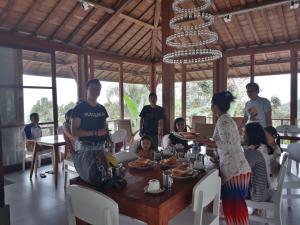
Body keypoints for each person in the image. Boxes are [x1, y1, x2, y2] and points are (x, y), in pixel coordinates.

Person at [196, 91, 251, 225]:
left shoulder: (223, 120)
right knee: (236, 209)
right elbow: (225, 143)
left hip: (235, 170)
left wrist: (206, 142)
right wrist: (209, 143)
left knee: (235, 211)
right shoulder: (226, 119)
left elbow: (227, 144)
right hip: (238, 168)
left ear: (214, 106)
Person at [71, 79, 109, 152]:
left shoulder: (102, 108)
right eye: (92, 88)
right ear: (86, 90)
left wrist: (108, 139)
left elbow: (105, 127)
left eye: (98, 89)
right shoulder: (79, 108)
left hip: (101, 146)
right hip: (85, 147)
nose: (95, 91)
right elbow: (74, 132)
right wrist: (95, 132)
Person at [243, 123, 273, 202]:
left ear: (251, 135)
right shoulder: (263, 147)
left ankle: (222, 211)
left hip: (258, 194)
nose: (243, 136)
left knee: (224, 186)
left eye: (245, 133)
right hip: (267, 189)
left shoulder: (254, 152)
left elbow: (242, 170)